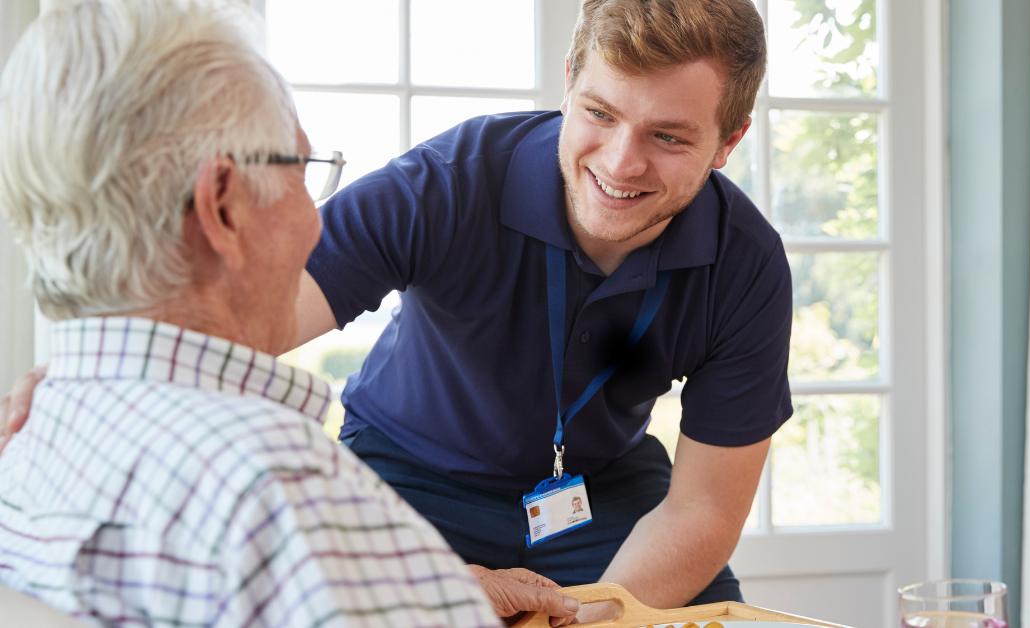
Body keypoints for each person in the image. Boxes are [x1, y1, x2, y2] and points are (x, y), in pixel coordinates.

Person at [3, 0, 793, 618]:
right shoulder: (447, 183)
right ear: (568, 81)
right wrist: (86, 382)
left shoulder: (748, 262)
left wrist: (595, 618)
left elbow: (701, 507)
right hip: (412, 474)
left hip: (597, 492)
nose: (620, 163)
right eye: (599, 114)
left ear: (729, 142)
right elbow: (240, 307)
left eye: (668, 137)